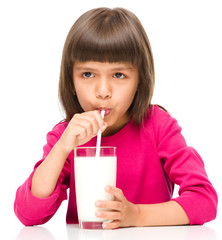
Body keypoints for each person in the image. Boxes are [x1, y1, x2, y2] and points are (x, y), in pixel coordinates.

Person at [14, 7, 217, 229]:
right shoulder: (67, 137)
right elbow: (28, 214)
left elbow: (204, 200)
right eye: (88, 74)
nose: (103, 91)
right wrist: (61, 149)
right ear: (71, 81)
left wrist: (136, 215)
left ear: (139, 80)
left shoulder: (159, 127)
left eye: (119, 75)